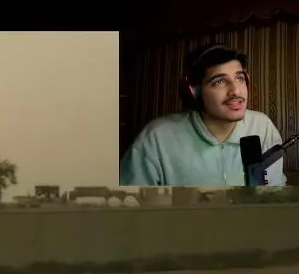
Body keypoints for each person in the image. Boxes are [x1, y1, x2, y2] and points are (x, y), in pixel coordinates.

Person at [120, 43, 287, 187]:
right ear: (194, 92)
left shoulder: (262, 127)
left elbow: (273, 194)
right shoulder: (156, 138)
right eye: (220, 81)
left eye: (240, 78)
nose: (236, 91)